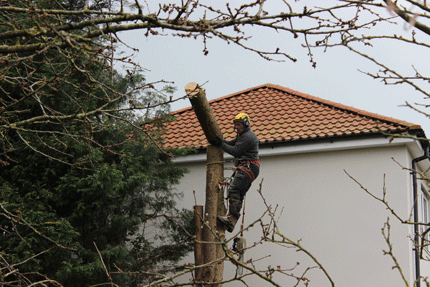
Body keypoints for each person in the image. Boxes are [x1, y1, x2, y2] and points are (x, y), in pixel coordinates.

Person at [210, 113, 260, 232]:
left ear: (245, 125)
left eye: (238, 125)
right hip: (250, 167)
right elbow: (231, 143)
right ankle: (232, 221)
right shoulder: (242, 135)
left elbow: (236, 151)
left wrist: (221, 144)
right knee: (239, 193)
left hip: (249, 167)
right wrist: (220, 141)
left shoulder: (248, 136)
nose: (236, 127)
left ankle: (232, 217)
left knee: (234, 189)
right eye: (235, 125)